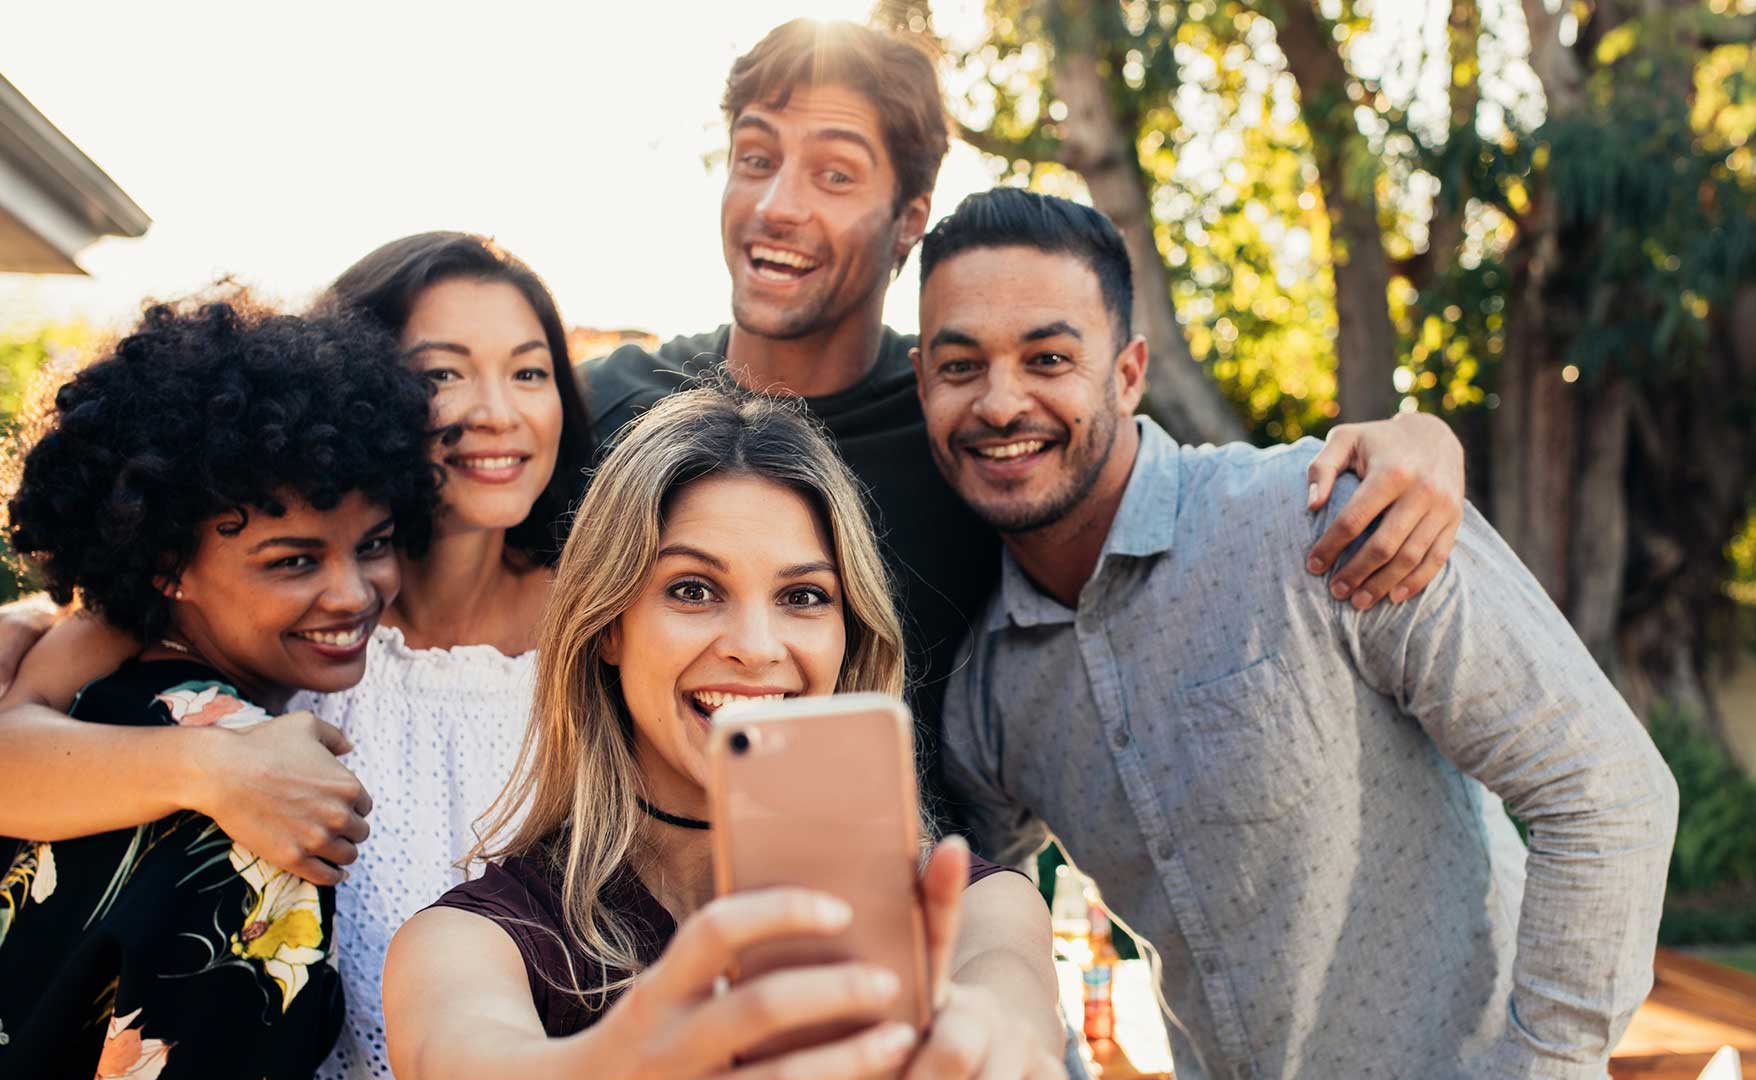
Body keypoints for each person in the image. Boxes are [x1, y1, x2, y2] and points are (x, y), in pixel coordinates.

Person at [577, 18, 1474, 828]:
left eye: (836, 173)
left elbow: (1159, 518)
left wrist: (1415, 439)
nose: (778, 205)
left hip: (926, 919)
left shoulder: (969, 433)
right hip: (611, 917)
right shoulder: (604, 410)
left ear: (908, 220)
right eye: (755, 158)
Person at [915, 189, 1680, 1079]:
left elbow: (1607, 793)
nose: (1002, 403)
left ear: (1126, 374)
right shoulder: (988, 686)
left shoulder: (1330, 520)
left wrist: (1541, 1069)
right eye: (960, 367)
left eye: (1048, 357)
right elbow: (974, 926)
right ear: (925, 386)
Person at [0, 233, 597, 1079]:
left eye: (529, 371)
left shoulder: (603, 614)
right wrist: (212, 768)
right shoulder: (267, 603)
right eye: (443, 374)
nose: (497, 410)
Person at [383, 389, 1064, 1079]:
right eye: (693, 589)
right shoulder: (471, 941)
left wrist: (984, 1045)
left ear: (848, 634)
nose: (755, 647)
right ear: (608, 626)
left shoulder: (978, 909)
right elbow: (463, 1052)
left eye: (803, 597)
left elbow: (1010, 1004)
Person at [0, 297, 441, 1079]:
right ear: (168, 564)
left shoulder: (80, 689)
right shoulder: (271, 792)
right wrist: (221, 769)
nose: (352, 593)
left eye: (373, 544)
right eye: (294, 561)